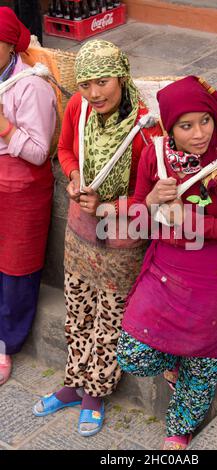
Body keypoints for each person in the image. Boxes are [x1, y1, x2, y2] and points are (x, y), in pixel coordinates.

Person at [116, 76, 217, 450]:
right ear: (169, 127)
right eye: (186, 125)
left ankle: (180, 429)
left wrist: (188, 220)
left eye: (205, 121)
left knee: (203, 363)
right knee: (131, 354)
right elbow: (141, 216)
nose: (199, 133)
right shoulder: (154, 156)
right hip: (165, 271)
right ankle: (172, 362)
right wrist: (151, 201)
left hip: (213, 281)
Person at [33, 39, 162, 437]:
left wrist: (108, 207)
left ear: (121, 76)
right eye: (86, 84)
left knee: (110, 319)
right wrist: (74, 180)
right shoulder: (79, 107)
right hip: (79, 233)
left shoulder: (144, 127)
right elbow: (67, 150)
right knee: (78, 311)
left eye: (102, 82)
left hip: (122, 240)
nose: (94, 93)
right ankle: (73, 384)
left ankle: (96, 393)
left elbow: (148, 198)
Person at [0, 7, 56, 385]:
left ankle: (5, 344)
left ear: (9, 47)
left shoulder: (31, 85)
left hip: (22, 186)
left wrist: (4, 126)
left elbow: (39, 151)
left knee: (15, 269)